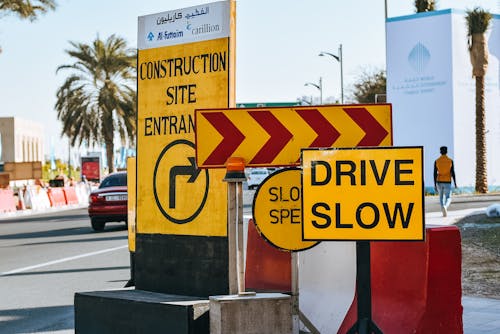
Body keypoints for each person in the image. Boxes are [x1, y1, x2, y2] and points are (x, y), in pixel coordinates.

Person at [434, 146, 457, 217]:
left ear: (440, 152)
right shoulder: (450, 161)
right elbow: (453, 172)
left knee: (441, 197)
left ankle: (443, 208)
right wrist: (455, 183)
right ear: (446, 152)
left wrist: (435, 184)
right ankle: (446, 207)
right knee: (448, 197)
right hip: (447, 181)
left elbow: (434, 173)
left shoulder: (437, 161)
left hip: (439, 181)